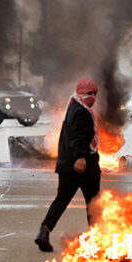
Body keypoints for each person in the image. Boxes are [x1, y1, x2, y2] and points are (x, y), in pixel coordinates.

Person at [35, 77, 101, 252]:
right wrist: (81, 157)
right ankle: (94, 242)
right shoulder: (82, 112)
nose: (93, 97)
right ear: (80, 92)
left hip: (66, 165)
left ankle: (44, 231)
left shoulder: (73, 107)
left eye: (95, 93)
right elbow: (79, 137)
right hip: (83, 166)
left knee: (61, 200)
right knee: (93, 204)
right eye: (89, 93)